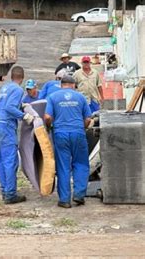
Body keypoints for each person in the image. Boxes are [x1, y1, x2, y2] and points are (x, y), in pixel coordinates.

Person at [44, 75, 92, 208]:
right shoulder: (80, 97)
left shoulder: (53, 97)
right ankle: (79, 195)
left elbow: (47, 116)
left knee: (63, 166)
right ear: (73, 85)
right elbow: (88, 119)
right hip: (78, 133)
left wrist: (49, 126)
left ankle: (64, 200)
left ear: (61, 85)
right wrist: (81, 128)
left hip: (60, 134)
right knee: (81, 163)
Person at [0, 66, 33, 204]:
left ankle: (5, 190)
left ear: (11, 76)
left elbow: (4, 105)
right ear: (22, 77)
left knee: (1, 159)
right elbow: (9, 108)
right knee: (10, 160)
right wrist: (24, 115)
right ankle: (10, 194)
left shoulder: (6, 87)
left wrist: (20, 105)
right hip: (5, 126)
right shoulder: (18, 89)